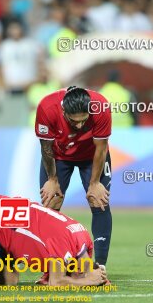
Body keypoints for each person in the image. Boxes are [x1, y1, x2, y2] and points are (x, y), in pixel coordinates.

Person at [35, 86, 112, 284]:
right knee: (50, 207)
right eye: (73, 121)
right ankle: (52, 268)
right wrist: (52, 180)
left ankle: (100, 268)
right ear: (63, 111)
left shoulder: (101, 106)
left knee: (99, 201)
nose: (79, 126)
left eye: (83, 120)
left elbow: (101, 149)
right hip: (59, 156)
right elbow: (46, 148)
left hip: (91, 156)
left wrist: (94, 183)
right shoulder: (47, 107)